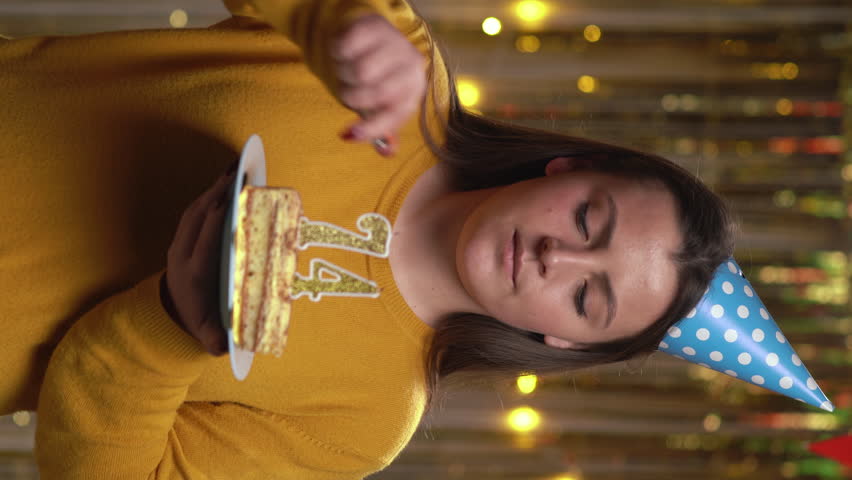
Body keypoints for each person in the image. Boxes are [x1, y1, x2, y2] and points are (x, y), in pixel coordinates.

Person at [0, 0, 734, 478]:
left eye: (587, 295)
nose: (558, 258)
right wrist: (337, 22)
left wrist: (163, 327)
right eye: (586, 220)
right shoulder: (402, 71)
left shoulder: (362, 425)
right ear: (571, 168)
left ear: (566, 342)